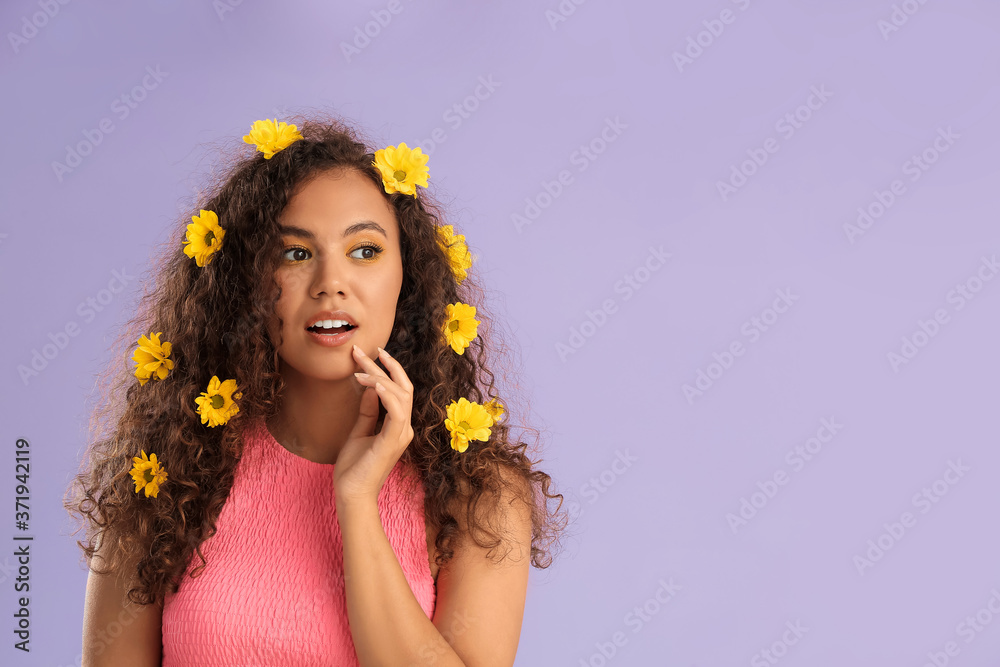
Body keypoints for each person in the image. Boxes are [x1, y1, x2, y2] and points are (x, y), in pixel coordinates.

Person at [65, 114, 567, 666]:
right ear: (247, 279)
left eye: (365, 250)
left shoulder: (483, 495)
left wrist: (356, 504)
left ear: (410, 274)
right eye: (295, 253)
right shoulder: (167, 474)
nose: (332, 282)